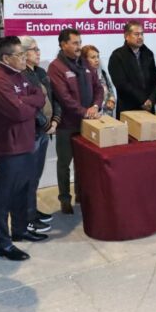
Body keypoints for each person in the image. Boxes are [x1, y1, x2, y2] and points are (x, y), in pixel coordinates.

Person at [0, 36, 47, 261]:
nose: (24, 58)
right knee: (5, 195)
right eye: (19, 55)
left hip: (26, 141)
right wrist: (28, 103)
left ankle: (19, 230)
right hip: (9, 146)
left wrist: (25, 101)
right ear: (6, 57)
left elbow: (40, 95)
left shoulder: (18, 73)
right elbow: (18, 112)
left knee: (22, 190)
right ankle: (4, 243)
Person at [48, 28, 103, 214]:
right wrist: (84, 112)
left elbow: (98, 88)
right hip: (67, 125)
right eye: (75, 43)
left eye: (80, 42)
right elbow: (64, 98)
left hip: (87, 123)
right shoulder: (56, 67)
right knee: (64, 164)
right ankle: (65, 199)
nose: (79, 46)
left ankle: (81, 194)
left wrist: (95, 106)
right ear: (63, 45)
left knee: (83, 162)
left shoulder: (85, 63)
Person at [19, 36, 60, 234]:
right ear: (23, 53)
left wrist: (56, 120)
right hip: (32, 133)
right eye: (34, 49)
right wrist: (45, 123)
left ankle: (32, 210)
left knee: (35, 177)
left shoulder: (41, 72)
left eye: (38, 49)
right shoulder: (20, 76)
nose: (38, 52)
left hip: (45, 132)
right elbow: (28, 106)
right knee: (28, 178)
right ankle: (27, 217)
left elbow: (54, 97)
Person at [108, 20, 156, 117]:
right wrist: (143, 100)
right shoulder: (117, 56)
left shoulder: (148, 54)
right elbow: (121, 84)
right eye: (136, 34)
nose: (140, 37)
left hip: (149, 108)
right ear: (126, 36)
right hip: (128, 110)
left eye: (142, 34)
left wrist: (151, 100)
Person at [81, 44, 117, 117]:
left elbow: (110, 90)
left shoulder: (102, 73)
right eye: (93, 57)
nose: (97, 60)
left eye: (98, 56)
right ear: (84, 60)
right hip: (91, 117)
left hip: (107, 115)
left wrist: (111, 100)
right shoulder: (81, 77)